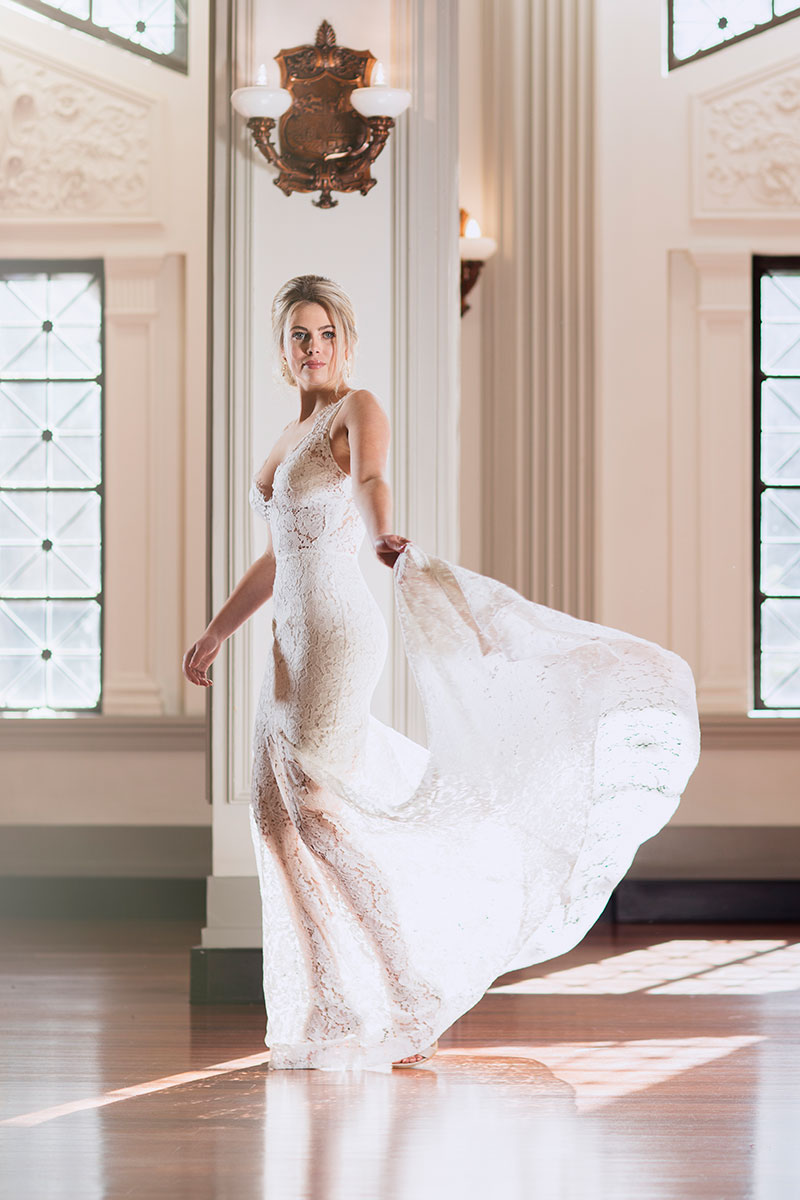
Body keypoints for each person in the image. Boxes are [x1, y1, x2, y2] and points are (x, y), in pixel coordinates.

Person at [183, 274, 700, 1072]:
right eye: (298, 336)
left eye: (324, 333)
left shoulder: (358, 410)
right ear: (282, 350)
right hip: (287, 636)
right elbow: (278, 552)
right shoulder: (287, 438)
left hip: (335, 631)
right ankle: (328, 1003)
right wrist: (219, 630)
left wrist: (386, 531)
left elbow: (370, 482)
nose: (312, 347)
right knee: (276, 820)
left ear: (345, 342)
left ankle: (409, 987)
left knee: (315, 813)